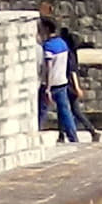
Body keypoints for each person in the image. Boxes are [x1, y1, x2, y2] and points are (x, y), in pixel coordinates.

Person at [36, 16, 90, 145]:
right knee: (65, 112)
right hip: (62, 82)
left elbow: (48, 68)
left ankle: (36, 134)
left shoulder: (48, 46)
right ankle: (73, 137)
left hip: (50, 84)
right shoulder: (62, 43)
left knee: (41, 112)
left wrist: (48, 88)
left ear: (46, 28)